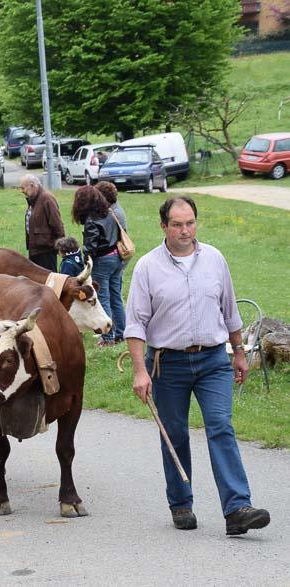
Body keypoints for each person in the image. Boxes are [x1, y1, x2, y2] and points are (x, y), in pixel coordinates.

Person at [125, 196, 269, 536]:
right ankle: (181, 503)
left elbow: (230, 311)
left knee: (220, 425)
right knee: (174, 434)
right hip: (167, 364)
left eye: (189, 223)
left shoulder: (214, 259)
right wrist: (139, 371)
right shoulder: (147, 267)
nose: (185, 230)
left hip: (212, 360)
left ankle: (237, 508)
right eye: (177, 224)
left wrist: (238, 352)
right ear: (164, 226)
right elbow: (135, 325)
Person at [71, 184, 123, 346]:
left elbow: (91, 246)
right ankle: (121, 333)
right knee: (116, 297)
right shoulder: (109, 212)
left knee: (103, 298)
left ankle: (108, 338)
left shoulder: (91, 220)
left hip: (103, 260)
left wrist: (83, 254)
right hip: (117, 258)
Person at [21, 175, 64, 272]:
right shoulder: (33, 199)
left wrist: (61, 246)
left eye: (23, 188)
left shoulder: (47, 198)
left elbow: (57, 224)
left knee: (49, 281)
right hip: (35, 250)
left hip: (46, 251)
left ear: (32, 186)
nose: (22, 191)